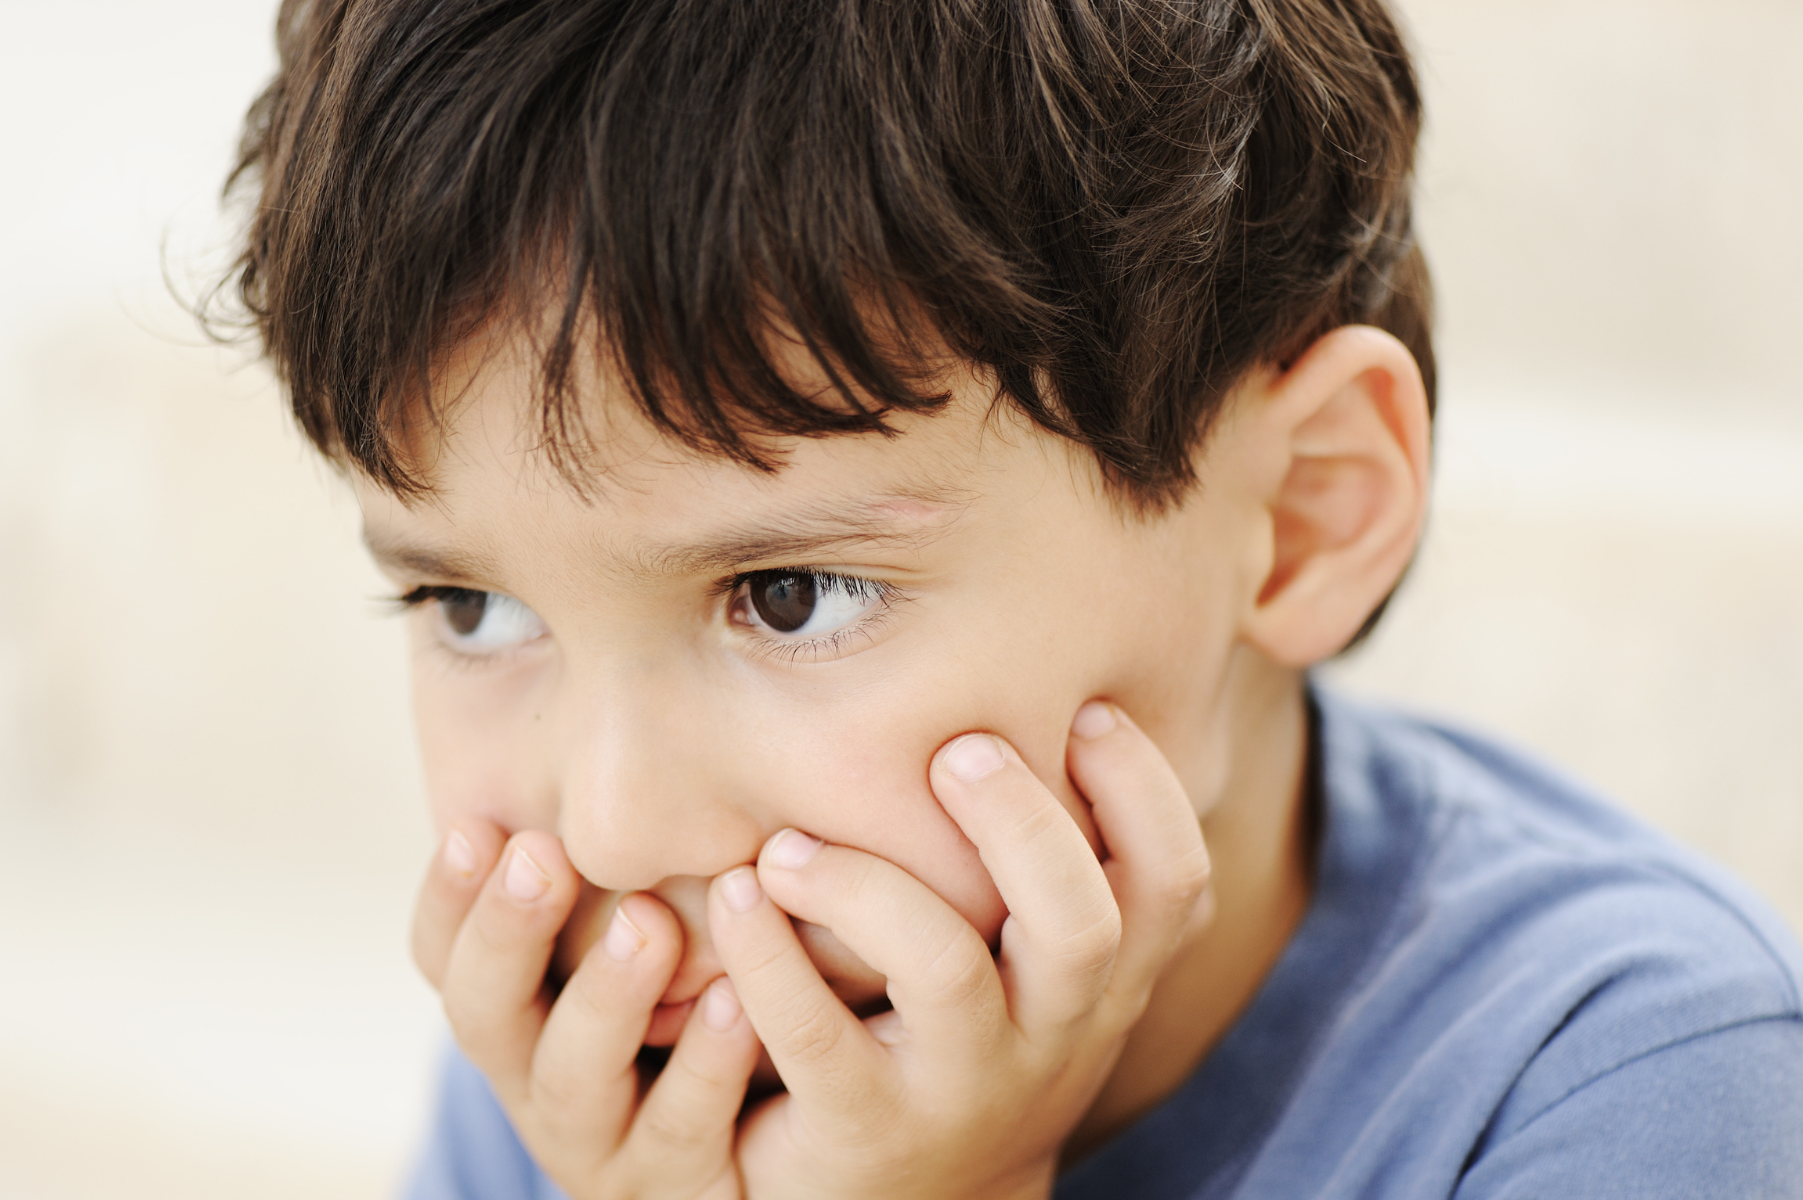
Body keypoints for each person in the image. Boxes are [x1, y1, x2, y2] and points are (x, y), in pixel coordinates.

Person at [212, 0, 1803, 1195]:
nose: (615, 830)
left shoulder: (1628, 1086)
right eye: (472, 612)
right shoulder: (617, 1058)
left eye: (790, 594)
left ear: (1306, 515)